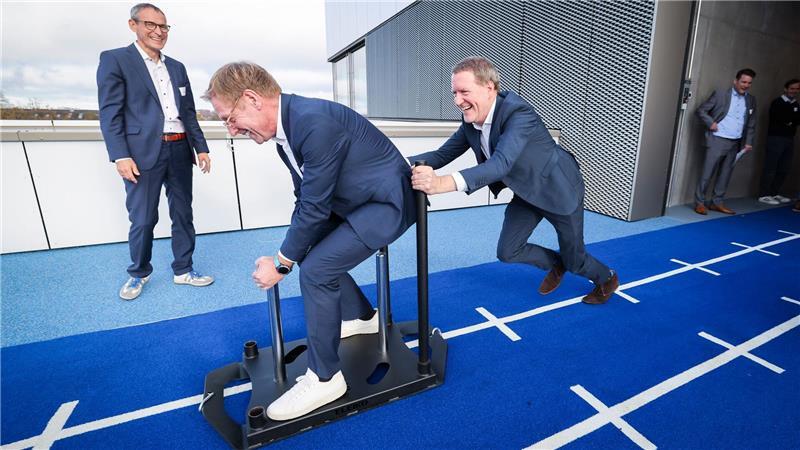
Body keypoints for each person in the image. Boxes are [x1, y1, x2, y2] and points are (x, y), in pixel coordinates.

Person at [204, 62, 416, 421]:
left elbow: (315, 207)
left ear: (252, 99)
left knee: (315, 270)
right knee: (307, 251)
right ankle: (364, 317)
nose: (231, 129)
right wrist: (288, 250)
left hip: (386, 203)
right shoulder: (286, 132)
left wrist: (282, 263)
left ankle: (325, 378)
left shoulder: (313, 122)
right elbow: (305, 199)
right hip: (353, 200)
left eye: (229, 117)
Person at [410, 56, 618, 305]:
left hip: (558, 188)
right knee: (508, 251)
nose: (457, 101)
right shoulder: (471, 121)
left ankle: (607, 278)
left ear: (489, 87)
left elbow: (500, 165)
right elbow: (443, 154)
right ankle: (557, 264)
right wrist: (397, 164)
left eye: (464, 91)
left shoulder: (519, 113)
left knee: (576, 260)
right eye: (454, 92)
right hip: (526, 191)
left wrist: (441, 184)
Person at [97, 3, 214, 300]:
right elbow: (110, 113)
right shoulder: (115, 60)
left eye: (163, 27)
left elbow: (188, 113)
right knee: (144, 218)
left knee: (183, 213)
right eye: (150, 25)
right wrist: (120, 155)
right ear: (132, 25)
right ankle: (139, 273)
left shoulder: (177, 67)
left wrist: (200, 147)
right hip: (141, 153)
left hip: (179, 148)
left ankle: (184, 269)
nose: (158, 32)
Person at [694, 68, 758, 215]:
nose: (746, 85)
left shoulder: (751, 100)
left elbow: (751, 123)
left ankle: (717, 202)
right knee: (707, 173)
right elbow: (701, 110)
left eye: (749, 83)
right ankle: (700, 203)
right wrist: (710, 123)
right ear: (735, 81)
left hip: (736, 142)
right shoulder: (721, 95)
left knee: (725, 174)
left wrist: (748, 141)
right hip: (717, 139)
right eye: (743, 82)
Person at [758, 78, 800, 205]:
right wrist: (791, 120)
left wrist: (791, 121)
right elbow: (783, 119)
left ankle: (774, 192)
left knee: (784, 167)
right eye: (792, 88)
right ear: (786, 89)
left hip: (789, 139)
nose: (794, 91)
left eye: (797, 89)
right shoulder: (777, 102)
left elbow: (796, 121)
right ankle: (764, 194)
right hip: (775, 138)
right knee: (770, 167)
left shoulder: (796, 104)